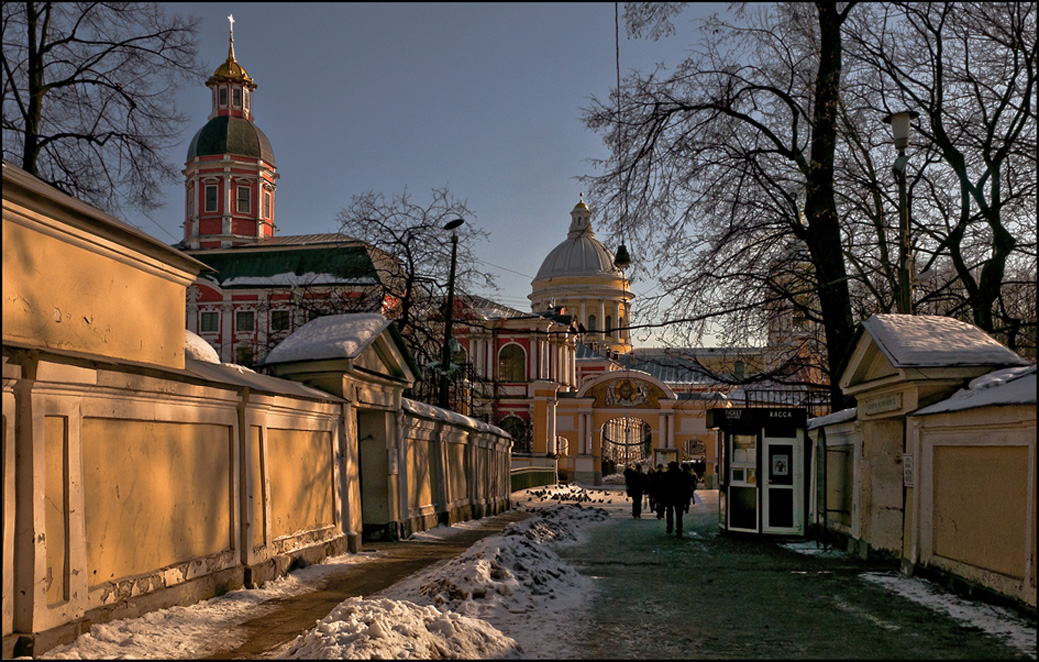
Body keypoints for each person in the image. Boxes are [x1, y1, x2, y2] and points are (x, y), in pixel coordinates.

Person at [662, 461, 686, 537]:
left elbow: (663, 487)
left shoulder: (666, 474)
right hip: (680, 496)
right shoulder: (682, 474)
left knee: (669, 511)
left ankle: (669, 527)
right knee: (679, 514)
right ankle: (679, 529)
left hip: (669, 496)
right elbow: (685, 487)